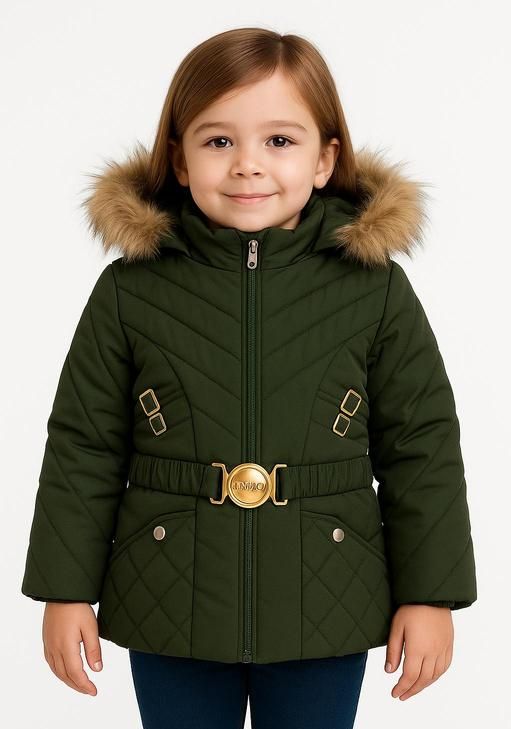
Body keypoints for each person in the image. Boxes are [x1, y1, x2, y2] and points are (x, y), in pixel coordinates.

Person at [20, 26, 477, 729]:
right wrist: (65, 590)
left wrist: (431, 594)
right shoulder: (130, 290)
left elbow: (422, 445)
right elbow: (84, 445)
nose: (247, 165)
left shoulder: (374, 289)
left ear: (325, 160)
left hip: (327, 595)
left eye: (280, 140)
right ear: (179, 158)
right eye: (218, 141)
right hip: (168, 593)